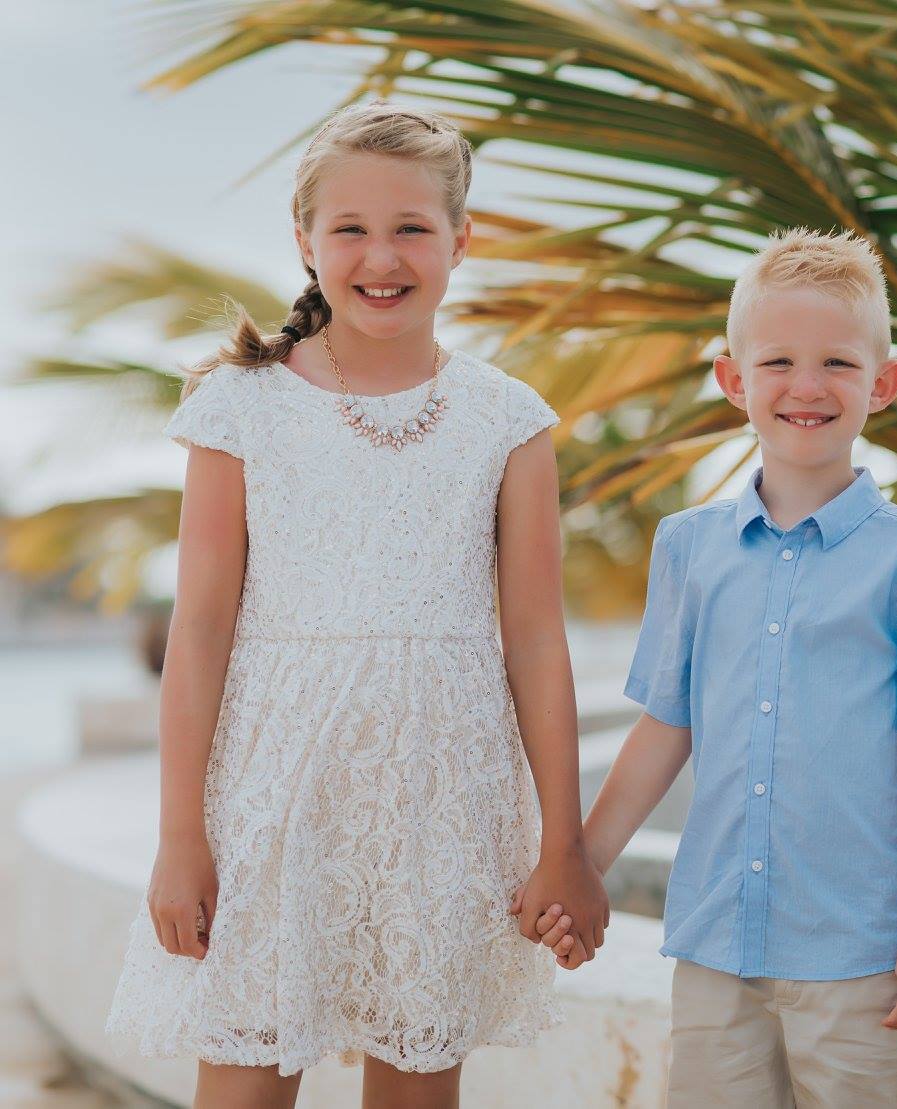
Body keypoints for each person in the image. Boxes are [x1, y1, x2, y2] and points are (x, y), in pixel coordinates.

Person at [104, 100, 606, 1109]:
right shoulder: (238, 407)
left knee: (418, 1084)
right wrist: (178, 837)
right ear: (305, 242)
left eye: (413, 227)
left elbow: (537, 642)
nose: (384, 256)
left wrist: (563, 843)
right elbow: (198, 634)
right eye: (352, 229)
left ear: (462, 240)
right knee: (244, 1081)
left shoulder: (507, 420)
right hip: (266, 804)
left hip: (443, 802)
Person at [536, 228, 897, 1106]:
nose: (806, 387)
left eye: (838, 364)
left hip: (859, 956)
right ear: (732, 380)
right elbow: (666, 725)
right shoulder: (689, 547)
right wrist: (582, 865)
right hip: (715, 945)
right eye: (776, 361)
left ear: (882, 384)